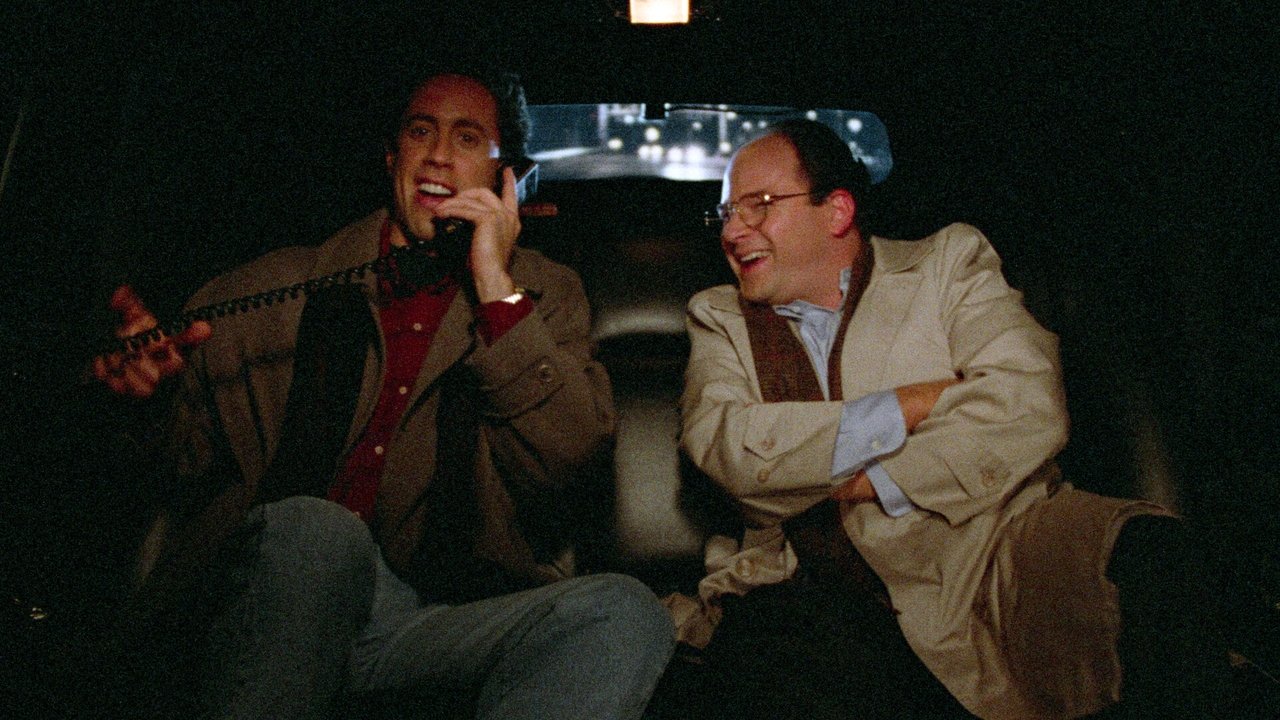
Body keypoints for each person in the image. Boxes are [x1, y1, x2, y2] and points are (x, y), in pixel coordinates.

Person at [90, 63, 673, 719]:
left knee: (625, 610)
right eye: (421, 131)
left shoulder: (539, 297)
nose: (438, 154)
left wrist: (494, 287)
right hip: (270, 598)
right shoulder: (269, 290)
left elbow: (570, 460)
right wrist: (145, 403)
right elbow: (173, 468)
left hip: (430, 619)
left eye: (468, 138)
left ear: (505, 177)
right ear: (393, 156)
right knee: (320, 533)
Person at [662, 119, 1238, 719]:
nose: (733, 231)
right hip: (808, 578)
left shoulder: (946, 264)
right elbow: (725, 446)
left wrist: (869, 479)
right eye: (726, 213)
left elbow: (1025, 401)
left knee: (1151, 555)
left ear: (836, 211)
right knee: (773, 660)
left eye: (758, 205)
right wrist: (913, 403)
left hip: (990, 551)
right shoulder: (719, 317)